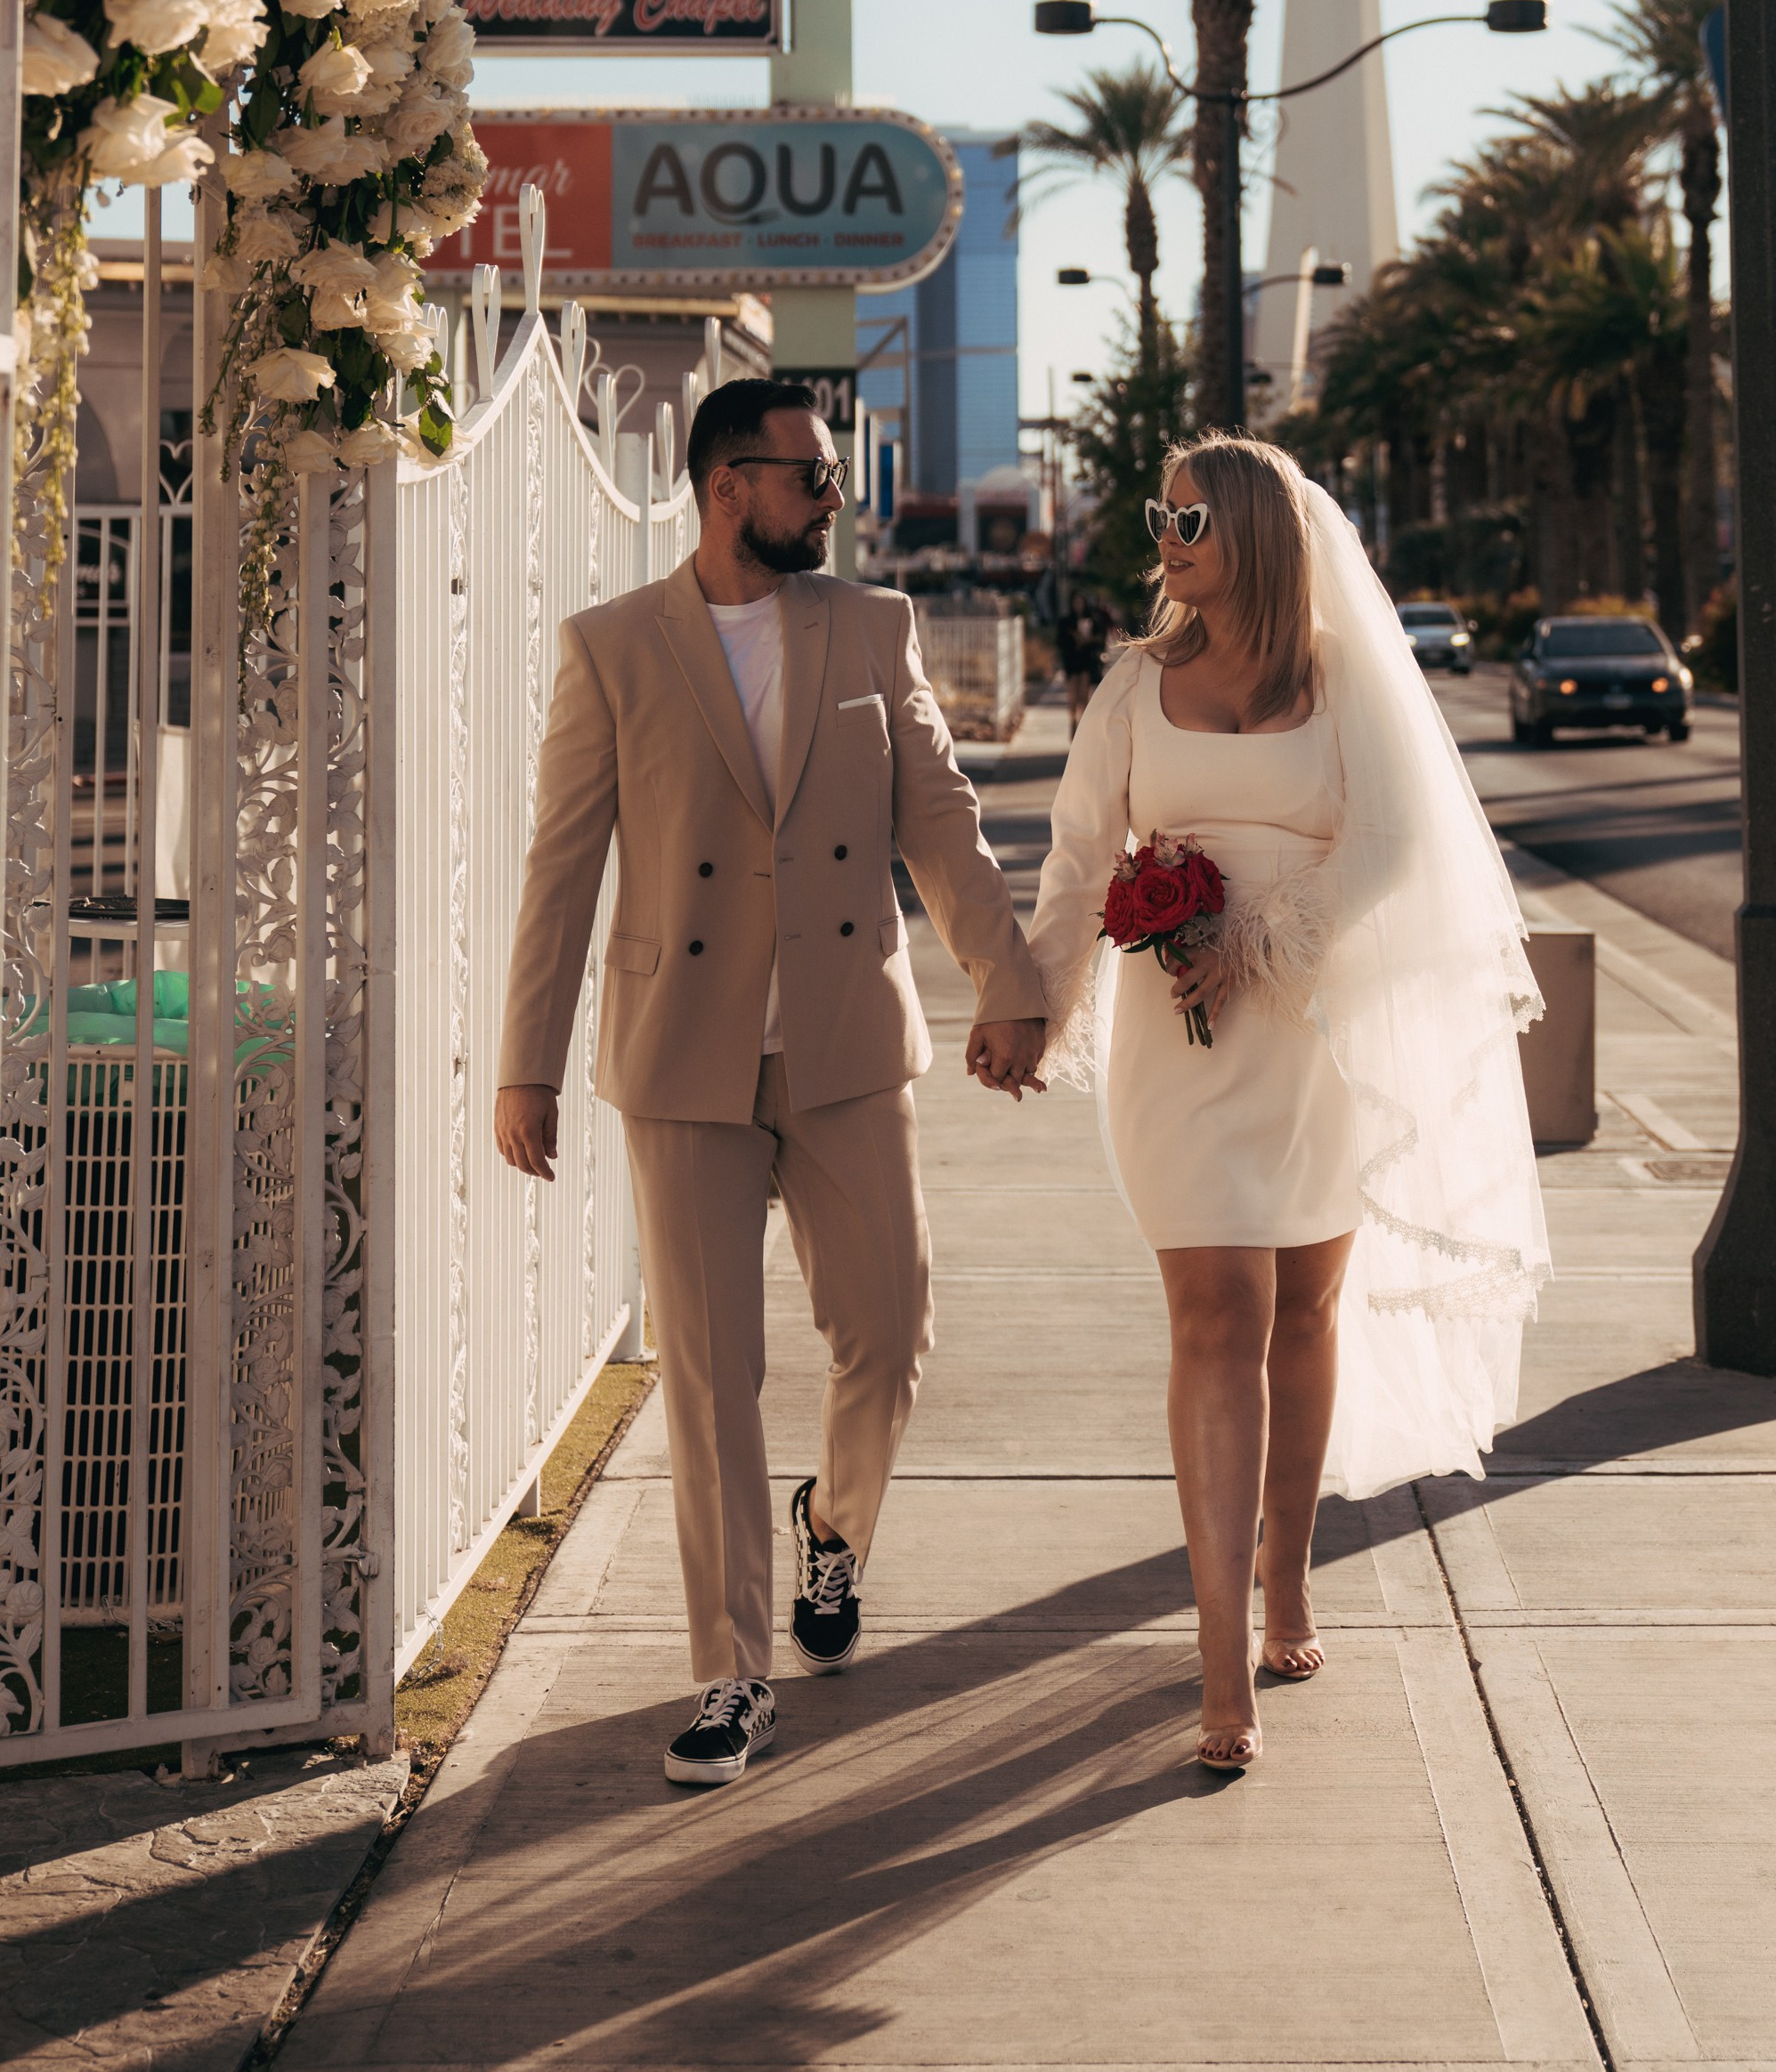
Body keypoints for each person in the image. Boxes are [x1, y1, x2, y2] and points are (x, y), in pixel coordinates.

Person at [495, 378, 1046, 1789]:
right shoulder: (614, 648)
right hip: (682, 1054)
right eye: (810, 475)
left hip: (848, 1042)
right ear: (726, 484)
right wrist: (529, 1066)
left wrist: (1010, 977)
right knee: (712, 1378)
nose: (833, 497)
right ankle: (732, 1671)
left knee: (888, 1332)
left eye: (834, 475)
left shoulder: (872, 627)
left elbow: (941, 820)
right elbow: (562, 871)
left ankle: (836, 1533)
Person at [1027, 436, 1548, 1774]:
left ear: (1255, 524)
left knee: (1306, 1311)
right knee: (1216, 1315)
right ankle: (1216, 1658)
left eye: (1189, 512)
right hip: (1177, 1045)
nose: (1166, 531)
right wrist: (1029, 1005)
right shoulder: (1136, 684)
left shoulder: (1340, 676)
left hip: (1315, 1030)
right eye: (1159, 512)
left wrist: (1257, 938)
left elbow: (1398, 844)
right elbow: (1081, 854)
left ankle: (1290, 1583)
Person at [1055, 587, 1113, 739]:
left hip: (1087, 661)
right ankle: (1073, 721)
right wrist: (1073, 639)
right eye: (1076, 602)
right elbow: (1060, 642)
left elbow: (1100, 639)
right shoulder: (1067, 621)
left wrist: (1088, 641)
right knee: (1072, 696)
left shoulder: (1092, 619)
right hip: (1072, 661)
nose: (1078, 605)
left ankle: (1082, 725)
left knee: (1084, 695)